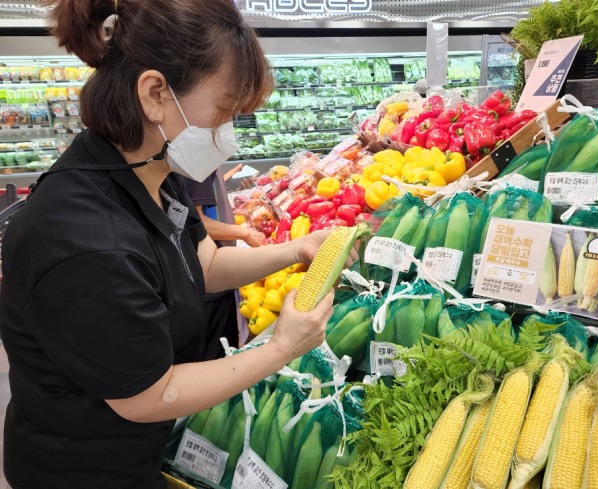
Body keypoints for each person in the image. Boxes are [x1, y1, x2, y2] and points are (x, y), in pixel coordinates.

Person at [0, 1, 350, 488]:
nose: (227, 134)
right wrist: (281, 348)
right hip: (86, 469)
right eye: (224, 111)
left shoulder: (152, 172)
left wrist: (296, 249)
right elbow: (147, 395)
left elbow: (200, 264)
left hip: (145, 448)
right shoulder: (84, 239)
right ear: (155, 93)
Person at [179, 165, 265, 357]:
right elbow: (194, 221)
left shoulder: (195, 161)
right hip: (211, 275)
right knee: (216, 350)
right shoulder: (198, 160)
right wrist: (245, 233)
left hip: (202, 275)